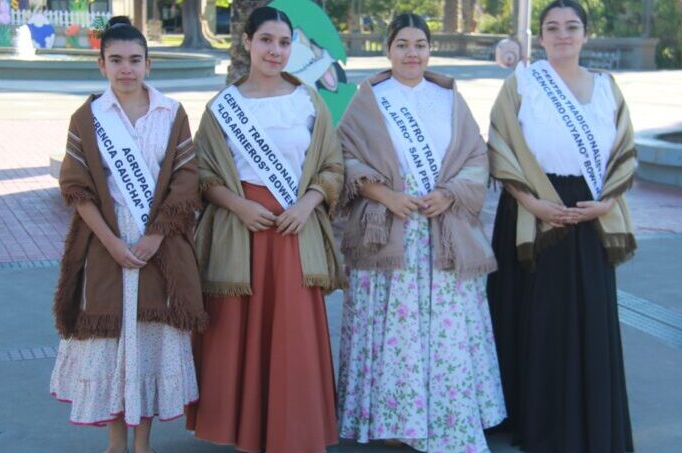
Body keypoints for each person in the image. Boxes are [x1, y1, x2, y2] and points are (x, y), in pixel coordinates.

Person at [336, 13, 506, 453]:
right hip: (389, 229)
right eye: (403, 44)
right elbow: (345, 158)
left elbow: (476, 157)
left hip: (440, 228)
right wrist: (385, 196)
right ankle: (392, 419)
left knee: (444, 328)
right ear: (387, 49)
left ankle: (447, 416)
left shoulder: (448, 98)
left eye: (420, 45)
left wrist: (449, 195)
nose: (412, 53)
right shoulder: (369, 99)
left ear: (430, 50)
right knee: (393, 326)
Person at [185, 6, 344, 453]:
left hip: (294, 230)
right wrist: (238, 205)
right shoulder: (222, 107)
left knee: (291, 331)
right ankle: (246, 432)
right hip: (241, 233)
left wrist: (308, 204)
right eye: (267, 40)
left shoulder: (308, 101)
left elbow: (333, 166)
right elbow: (201, 173)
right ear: (248, 43)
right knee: (238, 333)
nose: (276, 50)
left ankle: (292, 430)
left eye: (284, 42)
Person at [49, 16, 206, 453]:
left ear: (148, 64)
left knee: (150, 342)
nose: (126, 69)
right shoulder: (88, 116)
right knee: (112, 341)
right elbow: (77, 188)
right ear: (101, 65)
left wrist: (155, 237)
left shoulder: (172, 113)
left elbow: (185, 179)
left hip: (161, 242)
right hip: (106, 242)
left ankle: (144, 443)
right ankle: (115, 443)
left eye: (135, 60)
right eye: (115, 60)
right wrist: (113, 243)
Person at [486, 1, 637, 451]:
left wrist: (603, 204)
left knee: (587, 318)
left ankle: (587, 421)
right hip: (532, 211)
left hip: (590, 212)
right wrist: (533, 202)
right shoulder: (522, 83)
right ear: (542, 36)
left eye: (572, 27)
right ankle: (538, 421)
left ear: (586, 35)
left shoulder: (608, 87)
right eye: (553, 28)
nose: (562, 35)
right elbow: (499, 143)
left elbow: (625, 150)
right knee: (539, 319)